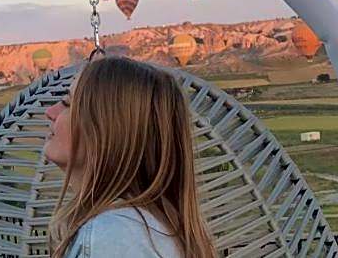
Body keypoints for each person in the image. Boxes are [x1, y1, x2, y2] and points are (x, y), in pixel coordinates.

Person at [44, 57, 215, 258]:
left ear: (106, 131)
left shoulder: (111, 236)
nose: (50, 112)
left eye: (67, 103)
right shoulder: (146, 227)